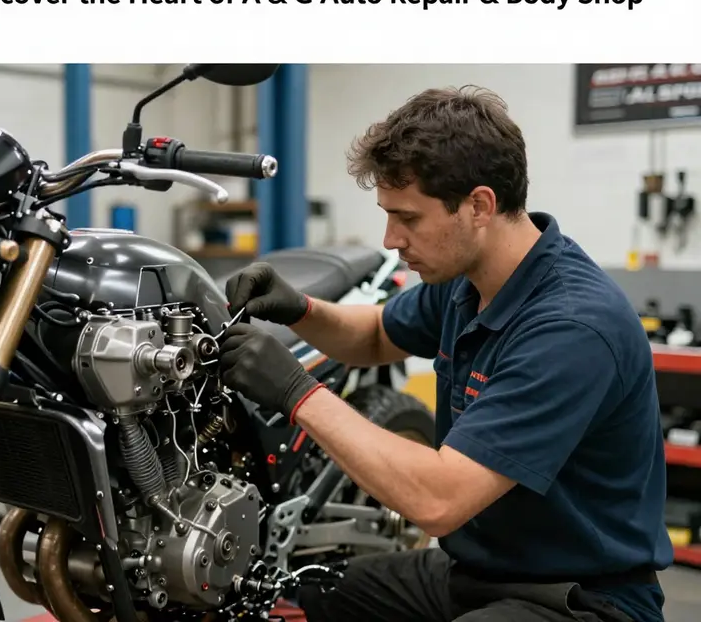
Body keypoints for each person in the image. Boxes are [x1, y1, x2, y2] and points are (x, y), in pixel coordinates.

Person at [217, 86, 673, 622]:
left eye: (408, 218)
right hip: (476, 573)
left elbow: (438, 500)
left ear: (478, 206)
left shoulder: (571, 327)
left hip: (583, 597)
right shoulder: (470, 280)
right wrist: (299, 309)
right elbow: (373, 336)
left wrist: (296, 391)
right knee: (309, 595)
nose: (390, 238)